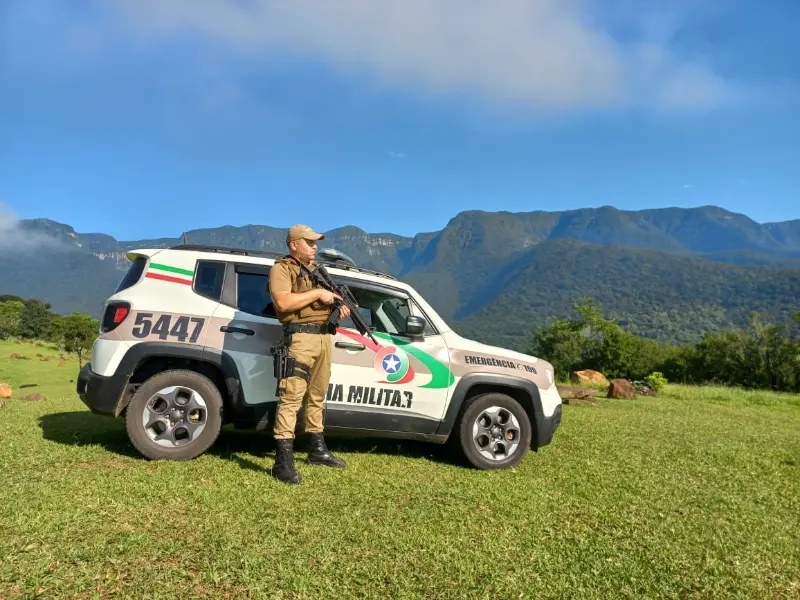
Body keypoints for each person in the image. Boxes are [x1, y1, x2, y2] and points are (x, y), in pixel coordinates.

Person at [267, 224, 351, 484]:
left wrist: (338, 307)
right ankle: (283, 461)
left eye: (316, 243)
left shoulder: (317, 270)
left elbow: (324, 302)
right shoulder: (282, 269)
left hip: (324, 337)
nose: (316, 247)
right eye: (310, 242)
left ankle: (317, 450)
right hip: (300, 338)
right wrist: (318, 293)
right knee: (291, 396)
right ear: (294, 244)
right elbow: (283, 302)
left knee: (317, 396)